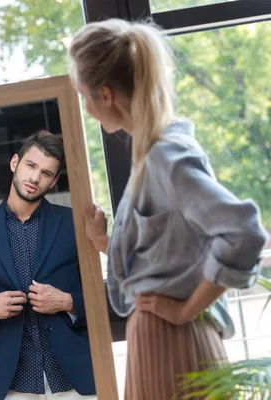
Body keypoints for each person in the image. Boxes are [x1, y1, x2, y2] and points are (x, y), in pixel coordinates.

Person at [68, 18, 269, 400]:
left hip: (171, 341)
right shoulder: (154, 154)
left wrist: (184, 311)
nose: (88, 109)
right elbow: (167, 258)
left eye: (84, 96)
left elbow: (244, 232)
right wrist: (103, 240)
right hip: (162, 339)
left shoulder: (166, 155)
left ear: (106, 94)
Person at [0, 131, 96, 400]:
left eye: (45, 172)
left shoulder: (73, 223)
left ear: (54, 181)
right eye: (31, 166)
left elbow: (103, 298)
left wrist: (68, 301)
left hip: (76, 380)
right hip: (11, 384)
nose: (34, 178)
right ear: (14, 163)